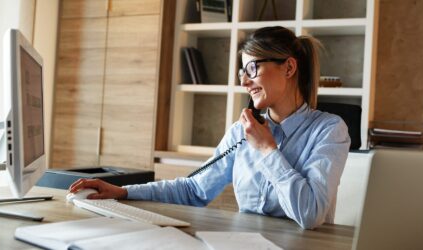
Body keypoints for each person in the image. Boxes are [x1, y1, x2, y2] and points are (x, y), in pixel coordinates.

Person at [69, 26, 350, 229]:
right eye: (243, 73)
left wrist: (267, 149)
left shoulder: (329, 130)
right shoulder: (242, 132)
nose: (244, 82)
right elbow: (194, 189)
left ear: (289, 68)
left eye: (252, 69)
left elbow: (310, 214)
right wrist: (124, 192)